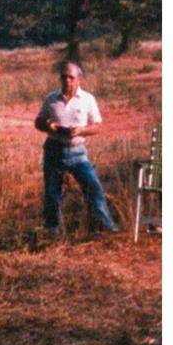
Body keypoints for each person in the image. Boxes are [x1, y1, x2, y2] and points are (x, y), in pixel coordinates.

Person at [35, 61, 118, 235]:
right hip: (54, 151)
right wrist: (49, 125)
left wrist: (82, 130)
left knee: (93, 188)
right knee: (52, 193)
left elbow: (98, 126)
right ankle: (52, 230)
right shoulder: (51, 99)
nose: (67, 81)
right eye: (64, 77)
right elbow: (38, 122)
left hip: (77, 153)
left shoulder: (88, 99)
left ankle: (106, 227)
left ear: (79, 79)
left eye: (71, 77)